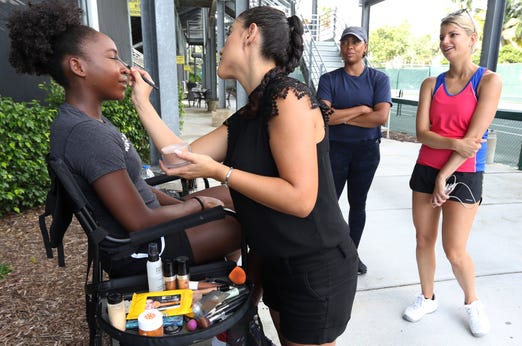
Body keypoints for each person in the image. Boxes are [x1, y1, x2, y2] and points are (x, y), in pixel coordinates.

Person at [130, 6, 358, 346]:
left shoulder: (289, 98)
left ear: (250, 34)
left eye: (229, 34)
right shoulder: (251, 112)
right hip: (277, 261)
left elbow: (300, 199)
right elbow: (180, 159)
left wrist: (222, 172)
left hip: (314, 265)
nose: (221, 47)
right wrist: (142, 103)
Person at [7, 0, 241, 278]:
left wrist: (185, 209)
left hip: (152, 228)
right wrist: (197, 206)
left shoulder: (85, 121)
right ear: (78, 66)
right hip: (141, 248)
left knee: (238, 196)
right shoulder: (87, 135)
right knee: (259, 221)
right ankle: (244, 299)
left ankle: (225, 277)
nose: (125, 68)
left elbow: (136, 186)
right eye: (113, 57)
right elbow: (140, 221)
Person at [402, 9, 502, 338]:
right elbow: (422, 133)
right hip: (425, 168)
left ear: (472, 39)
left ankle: (472, 302)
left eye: (453, 35)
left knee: (454, 250)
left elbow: (474, 142)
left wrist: (445, 173)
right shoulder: (432, 83)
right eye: (442, 36)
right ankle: (427, 297)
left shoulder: (488, 81)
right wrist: (452, 144)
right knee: (423, 239)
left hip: (464, 173)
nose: (445, 42)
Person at [316, 26, 392, 274]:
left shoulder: (378, 79)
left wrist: (342, 117)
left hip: (366, 152)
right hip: (335, 151)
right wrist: (360, 109)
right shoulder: (329, 80)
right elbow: (324, 117)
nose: (350, 46)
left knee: (357, 204)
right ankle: (327, 254)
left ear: (365, 47)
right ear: (340, 47)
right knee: (330, 204)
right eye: (345, 42)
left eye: (356, 42)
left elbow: (380, 116)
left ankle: (351, 255)